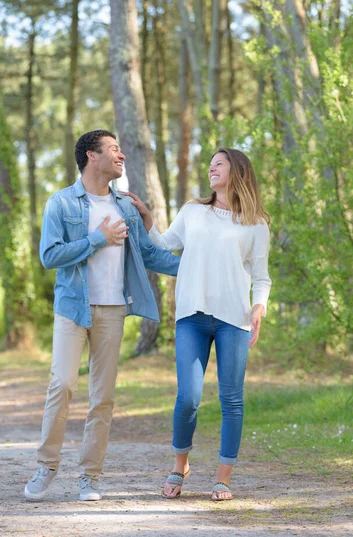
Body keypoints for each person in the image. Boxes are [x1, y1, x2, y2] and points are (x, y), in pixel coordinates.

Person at [24, 129, 180, 502]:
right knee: (62, 385)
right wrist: (97, 239)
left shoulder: (124, 206)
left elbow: (149, 255)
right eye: (113, 149)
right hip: (72, 307)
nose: (121, 155)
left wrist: (195, 265)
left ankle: (89, 477)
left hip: (113, 308)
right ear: (92, 156)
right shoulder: (61, 203)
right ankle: (46, 466)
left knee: (103, 397)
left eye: (121, 149)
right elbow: (50, 256)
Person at [130, 148, 271, 501]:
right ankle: (180, 466)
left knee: (231, 399)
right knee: (188, 398)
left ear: (237, 171)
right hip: (191, 316)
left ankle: (223, 477)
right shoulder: (193, 211)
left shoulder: (256, 223)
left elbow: (262, 277)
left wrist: (259, 307)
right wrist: (147, 219)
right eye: (210, 163)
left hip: (234, 321)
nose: (211, 167)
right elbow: (164, 243)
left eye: (219, 163)